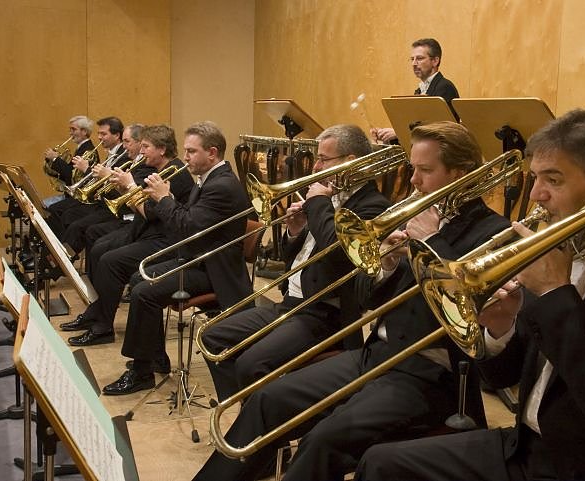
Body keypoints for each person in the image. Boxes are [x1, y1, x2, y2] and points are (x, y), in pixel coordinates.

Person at [354, 109, 585, 481]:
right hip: (528, 448)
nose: (537, 195)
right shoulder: (560, 247)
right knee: (381, 464)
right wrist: (502, 328)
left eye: (553, 180)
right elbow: (502, 378)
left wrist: (555, 291)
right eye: (535, 178)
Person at [192, 121, 510, 481]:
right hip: (376, 354)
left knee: (323, 439)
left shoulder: (493, 232)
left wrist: (432, 243)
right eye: (413, 169)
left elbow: (462, 317)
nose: (414, 181)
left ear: (460, 173)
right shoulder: (414, 212)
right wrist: (386, 265)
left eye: (425, 170)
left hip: (430, 374)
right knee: (269, 398)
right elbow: (365, 298)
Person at [200, 124, 391, 401]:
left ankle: (260, 418)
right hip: (291, 303)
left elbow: (339, 256)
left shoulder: (372, 205)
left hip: (324, 312)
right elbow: (297, 258)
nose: (316, 167)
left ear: (349, 161)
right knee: (211, 337)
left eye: (323, 159)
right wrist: (295, 230)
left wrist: (318, 205)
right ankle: (248, 410)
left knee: (250, 364)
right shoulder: (331, 195)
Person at [100, 121, 254, 395]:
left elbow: (187, 227)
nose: (185, 157)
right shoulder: (209, 179)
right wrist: (168, 198)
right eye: (185, 150)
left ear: (212, 153)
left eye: (191, 151)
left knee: (144, 292)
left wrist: (164, 199)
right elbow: (190, 220)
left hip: (214, 270)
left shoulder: (222, 185)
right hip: (199, 259)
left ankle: (141, 371)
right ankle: (155, 357)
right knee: (137, 278)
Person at [60, 124, 193, 347]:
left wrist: (129, 186)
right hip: (146, 231)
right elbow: (140, 209)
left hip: (165, 240)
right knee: (100, 248)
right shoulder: (156, 169)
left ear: (162, 149)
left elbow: (148, 213)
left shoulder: (175, 173)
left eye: (146, 147)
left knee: (109, 260)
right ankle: (97, 312)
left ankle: (103, 326)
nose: (142, 151)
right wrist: (123, 189)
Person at [83, 123, 156, 277]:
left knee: (98, 244)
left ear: (139, 142)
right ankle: (91, 279)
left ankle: (96, 281)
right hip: (126, 214)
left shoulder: (147, 166)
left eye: (127, 141)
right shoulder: (132, 161)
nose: (124, 146)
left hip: (132, 218)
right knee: (91, 233)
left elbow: (135, 200)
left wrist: (108, 178)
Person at [59, 116, 129, 254]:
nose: (99, 137)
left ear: (117, 135)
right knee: (66, 215)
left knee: (76, 226)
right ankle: (57, 255)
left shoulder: (124, 155)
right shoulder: (112, 153)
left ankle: (60, 260)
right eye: (98, 133)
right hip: (100, 201)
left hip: (111, 207)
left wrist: (87, 169)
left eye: (103, 134)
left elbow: (113, 186)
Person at [371, 38, 460, 144]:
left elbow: (438, 130)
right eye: (412, 59)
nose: (414, 63)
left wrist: (399, 133)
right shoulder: (419, 91)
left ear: (435, 61)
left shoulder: (445, 87)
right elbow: (416, 129)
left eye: (419, 58)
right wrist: (386, 134)